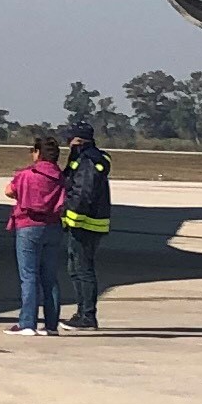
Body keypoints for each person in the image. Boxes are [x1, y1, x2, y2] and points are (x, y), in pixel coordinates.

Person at [2, 136, 68, 334]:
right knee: (50, 277)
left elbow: (8, 191)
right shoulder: (60, 177)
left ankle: (27, 323)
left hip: (28, 225)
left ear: (38, 153)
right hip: (53, 226)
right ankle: (51, 324)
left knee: (29, 277)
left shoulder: (27, 174)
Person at [57, 122, 115, 332]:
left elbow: (83, 193)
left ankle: (87, 315)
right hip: (89, 222)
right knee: (76, 268)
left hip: (84, 223)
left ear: (79, 140)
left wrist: (69, 215)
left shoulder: (87, 160)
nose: (68, 142)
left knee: (82, 269)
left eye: (70, 139)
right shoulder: (86, 158)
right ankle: (83, 312)